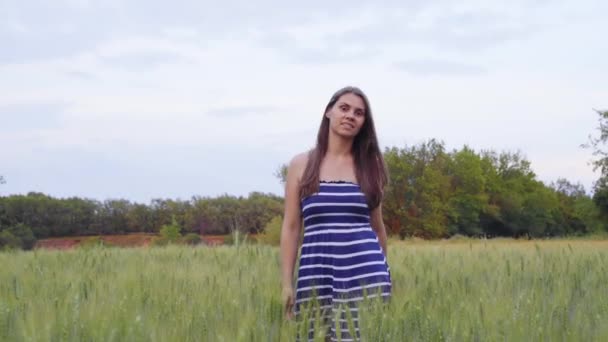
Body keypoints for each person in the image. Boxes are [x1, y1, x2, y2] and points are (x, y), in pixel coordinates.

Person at [280, 86, 392, 341]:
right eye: (344, 108)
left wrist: (384, 274)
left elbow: (377, 228)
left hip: (365, 277)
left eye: (359, 113)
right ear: (328, 112)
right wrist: (287, 283)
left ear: (364, 122)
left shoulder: (370, 166)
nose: (351, 115)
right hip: (315, 273)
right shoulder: (301, 164)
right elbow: (291, 227)